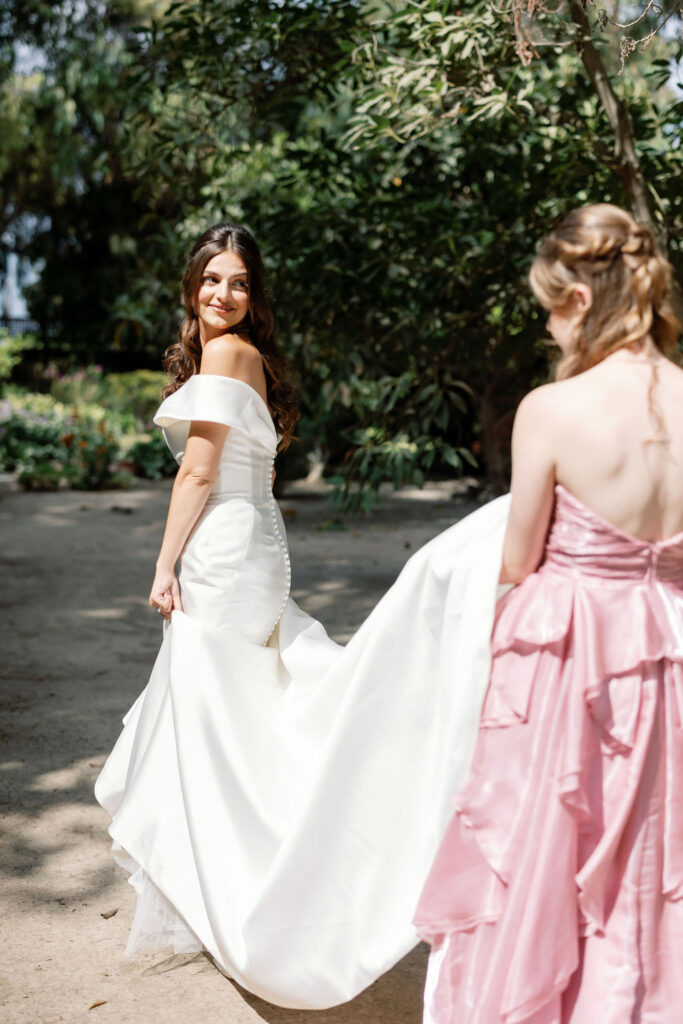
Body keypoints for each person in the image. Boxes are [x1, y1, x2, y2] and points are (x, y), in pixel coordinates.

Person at [95, 221, 511, 1009]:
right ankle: (253, 876)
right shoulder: (242, 357)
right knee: (235, 713)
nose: (223, 294)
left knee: (219, 717)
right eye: (212, 279)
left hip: (225, 547)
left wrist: (162, 564)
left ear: (255, 297)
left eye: (239, 282)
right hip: (253, 543)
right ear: (192, 285)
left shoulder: (224, 354)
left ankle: (261, 891)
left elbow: (198, 473)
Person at [414, 203, 683, 1023]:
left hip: (577, 672)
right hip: (669, 651)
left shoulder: (551, 409)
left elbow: (516, 559)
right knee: (654, 859)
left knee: (553, 859)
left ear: (574, 299)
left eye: (546, 310)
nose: (549, 331)